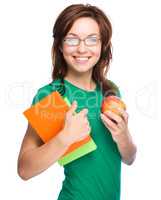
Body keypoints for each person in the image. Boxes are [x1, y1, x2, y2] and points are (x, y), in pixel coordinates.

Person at [17, 4, 137, 200]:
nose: (82, 48)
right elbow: (24, 169)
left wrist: (123, 135)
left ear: (102, 45)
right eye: (72, 39)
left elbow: (129, 158)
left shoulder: (110, 91)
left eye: (92, 39)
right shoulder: (51, 96)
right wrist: (65, 137)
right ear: (60, 45)